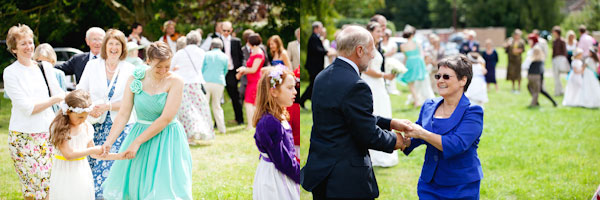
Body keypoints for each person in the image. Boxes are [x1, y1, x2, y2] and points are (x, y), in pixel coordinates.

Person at [301, 25, 412, 199]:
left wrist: (389, 123)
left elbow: (348, 116)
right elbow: (367, 134)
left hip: (321, 171)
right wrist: (395, 141)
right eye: (371, 49)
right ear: (359, 50)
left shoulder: (322, 76)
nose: (374, 55)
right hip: (345, 178)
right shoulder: (356, 85)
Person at [101, 42, 193, 199]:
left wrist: (137, 142)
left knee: (164, 189)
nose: (163, 71)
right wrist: (109, 141)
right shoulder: (135, 79)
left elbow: (165, 118)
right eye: (159, 67)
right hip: (140, 132)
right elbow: (123, 114)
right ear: (148, 61)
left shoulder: (176, 81)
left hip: (167, 138)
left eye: (167, 66)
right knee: (137, 185)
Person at [403, 55, 484, 199]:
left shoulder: (472, 111)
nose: (440, 80)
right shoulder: (429, 105)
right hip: (429, 184)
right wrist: (396, 138)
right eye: (438, 76)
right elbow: (415, 136)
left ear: (463, 80)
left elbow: (456, 145)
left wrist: (422, 133)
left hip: (461, 186)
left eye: (446, 76)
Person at [3, 24, 65, 200]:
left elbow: (59, 93)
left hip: (47, 134)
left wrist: (79, 104)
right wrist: (54, 100)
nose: (29, 47)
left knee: (49, 184)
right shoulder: (10, 73)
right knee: (33, 188)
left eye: (30, 42)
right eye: (23, 44)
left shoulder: (44, 67)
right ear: (14, 48)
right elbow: (28, 108)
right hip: (23, 137)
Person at [76, 29, 136, 198]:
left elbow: (130, 102)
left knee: (109, 168)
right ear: (105, 46)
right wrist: (90, 108)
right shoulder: (92, 65)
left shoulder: (130, 69)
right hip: (94, 125)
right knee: (91, 165)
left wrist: (107, 106)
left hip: (120, 126)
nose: (114, 48)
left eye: (118, 44)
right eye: (111, 44)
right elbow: (81, 92)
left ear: (123, 47)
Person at [48, 90, 120, 200]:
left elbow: (94, 154)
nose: (83, 120)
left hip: (82, 171)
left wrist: (119, 156)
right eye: (80, 117)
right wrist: (93, 150)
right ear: (68, 112)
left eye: (85, 117)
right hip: (64, 172)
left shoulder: (86, 127)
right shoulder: (61, 128)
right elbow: (68, 154)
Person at [252, 67, 300, 200]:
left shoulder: (278, 116)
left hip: (282, 173)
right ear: (274, 92)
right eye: (290, 88)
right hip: (275, 179)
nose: (295, 91)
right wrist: (301, 175)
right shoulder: (270, 123)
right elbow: (282, 161)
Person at [364, 21, 398, 167]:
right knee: (375, 112)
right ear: (370, 31)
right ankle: (374, 153)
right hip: (371, 83)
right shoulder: (367, 47)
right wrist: (385, 75)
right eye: (378, 31)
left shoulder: (377, 47)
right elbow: (366, 70)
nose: (381, 34)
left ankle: (384, 148)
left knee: (383, 110)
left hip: (379, 85)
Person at [170, 30, 215, 142]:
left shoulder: (180, 53)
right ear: (198, 41)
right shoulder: (202, 52)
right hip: (196, 83)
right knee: (200, 108)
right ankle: (203, 131)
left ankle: (189, 134)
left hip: (182, 84)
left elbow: (171, 67)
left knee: (186, 110)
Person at [299, 21, 333, 109]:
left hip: (316, 66)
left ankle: (309, 99)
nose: (322, 29)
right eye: (321, 27)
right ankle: (303, 99)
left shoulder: (316, 38)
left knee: (314, 84)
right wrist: (326, 52)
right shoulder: (313, 38)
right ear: (316, 28)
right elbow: (317, 50)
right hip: (314, 67)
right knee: (313, 84)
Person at [236, 33, 266, 129]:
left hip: (255, 80)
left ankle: (252, 124)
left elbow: (254, 69)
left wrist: (243, 69)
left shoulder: (258, 53)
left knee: (250, 103)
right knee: (250, 103)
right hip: (251, 80)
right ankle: (253, 123)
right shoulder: (254, 51)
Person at [399, 24, 431, 107]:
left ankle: (416, 100)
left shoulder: (403, 46)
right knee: (422, 82)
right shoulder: (417, 43)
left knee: (411, 84)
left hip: (410, 63)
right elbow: (421, 54)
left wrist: (403, 66)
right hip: (418, 62)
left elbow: (405, 58)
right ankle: (420, 99)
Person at [221, 21, 246, 126]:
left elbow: (242, 57)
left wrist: (241, 69)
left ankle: (239, 119)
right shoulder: (217, 41)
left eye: (228, 30)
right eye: (224, 31)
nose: (226, 33)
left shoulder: (236, 41)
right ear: (221, 30)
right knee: (218, 98)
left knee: (235, 96)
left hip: (232, 72)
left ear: (231, 30)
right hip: (221, 72)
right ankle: (217, 123)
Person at [203, 38, 229, 134]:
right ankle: (222, 129)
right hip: (219, 82)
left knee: (205, 105)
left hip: (206, 81)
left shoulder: (206, 54)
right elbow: (225, 70)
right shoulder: (225, 56)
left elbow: (202, 69)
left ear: (211, 46)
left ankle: (207, 129)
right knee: (217, 106)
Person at [382, 28, 403, 95]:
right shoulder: (380, 43)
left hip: (390, 60)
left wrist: (385, 55)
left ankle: (392, 89)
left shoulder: (392, 43)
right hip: (382, 61)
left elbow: (393, 51)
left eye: (386, 35)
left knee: (391, 73)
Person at [551, 26, 570, 96]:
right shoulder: (554, 41)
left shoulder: (562, 41)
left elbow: (565, 52)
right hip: (555, 60)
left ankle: (562, 91)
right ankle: (558, 91)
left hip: (561, 59)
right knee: (556, 77)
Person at [505, 29, 525, 93]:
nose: (516, 36)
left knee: (518, 73)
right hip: (511, 60)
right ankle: (513, 87)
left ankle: (519, 87)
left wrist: (518, 51)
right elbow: (506, 49)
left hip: (518, 60)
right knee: (512, 74)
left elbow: (523, 49)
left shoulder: (521, 42)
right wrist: (507, 45)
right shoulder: (511, 41)